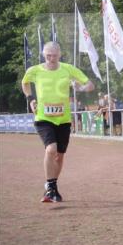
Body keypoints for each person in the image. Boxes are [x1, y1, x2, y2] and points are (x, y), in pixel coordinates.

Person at [21, 41, 95, 202]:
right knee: (51, 149)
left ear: (59, 55)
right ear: (43, 55)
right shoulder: (35, 70)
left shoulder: (68, 69)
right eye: (48, 55)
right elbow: (24, 82)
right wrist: (31, 99)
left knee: (59, 156)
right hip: (43, 118)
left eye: (54, 55)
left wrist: (80, 88)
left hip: (63, 119)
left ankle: (51, 185)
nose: (51, 59)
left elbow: (90, 85)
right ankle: (51, 187)